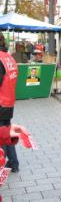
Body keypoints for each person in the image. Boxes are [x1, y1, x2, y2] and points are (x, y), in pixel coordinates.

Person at [0, 31, 20, 173]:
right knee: (5, 134)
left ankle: (4, 163)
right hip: (8, 102)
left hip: (0, 102)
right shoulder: (8, 57)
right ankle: (13, 162)